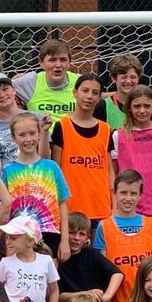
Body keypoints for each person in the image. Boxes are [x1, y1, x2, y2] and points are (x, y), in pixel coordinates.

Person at [95, 171, 152, 302]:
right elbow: (102, 271)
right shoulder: (104, 226)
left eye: (133, 193)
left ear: (140, 195)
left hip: (151, 300)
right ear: (114, 194)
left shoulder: (151, 224)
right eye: (123, 193)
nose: (128, 198)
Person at [50, 74, 116, 227]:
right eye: (85, 90)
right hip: (71, 205)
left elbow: (109, 170)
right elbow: (56, 168)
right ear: (75, 92)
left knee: (98, 251)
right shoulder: (62, 126)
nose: (89, 96)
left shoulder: (105, 130)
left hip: (100, 204)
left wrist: (113, 200)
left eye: (94, 93)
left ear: (100, 97)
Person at [0, 113, 69, 256]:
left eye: (32, 133)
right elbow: (4, 207)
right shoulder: (8, 171)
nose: (28, 139)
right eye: (22, 135)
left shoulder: (52, 167)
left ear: (39, 134)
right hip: (19, 235)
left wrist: (65, 240)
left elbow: (62, 203)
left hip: (49, 232)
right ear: (14, 138)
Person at [112, 86, 152, 232]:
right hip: (125, 207)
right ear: (129, 107)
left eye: (147, 106)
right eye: (137, 106)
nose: (142, 111)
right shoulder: (118, 136)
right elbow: (113, 174)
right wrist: (114, 206)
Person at [57, 209, 123, 302]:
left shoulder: (91, 254)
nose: (76, 238)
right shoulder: (56, 258)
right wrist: (87, 294)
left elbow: (117, 274)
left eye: (81, 234)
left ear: (88, 237)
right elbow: (58, 297)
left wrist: (107, 297)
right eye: (72, 232)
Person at [15, 36, 78, 119]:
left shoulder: (80, 82)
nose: (58, 65)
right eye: (52, 60)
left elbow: (100, 95)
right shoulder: (30, 82)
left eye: (63, 59)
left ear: (69, 62)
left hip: (71, 131)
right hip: (41, 131)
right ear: (41, 63)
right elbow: (0, 88)